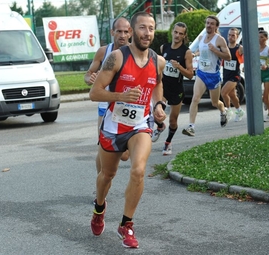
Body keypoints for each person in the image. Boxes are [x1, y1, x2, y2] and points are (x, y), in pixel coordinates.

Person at [89, 12, 166, 249]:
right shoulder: (116, 58)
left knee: (138, 170)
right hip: (113, 127)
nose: (148, 33)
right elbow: (95, 92)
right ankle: (99, 208)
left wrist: (158, 105)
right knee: (107, 176)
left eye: (151, 28)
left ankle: (126, 224)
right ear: (132, 32)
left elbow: (158, 84)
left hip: (140, 125)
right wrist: (120, 96)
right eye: (142, 28)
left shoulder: (158, 61)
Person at [84, 17, 131, 174]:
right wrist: (89, 79)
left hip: (127, 106)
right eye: (119, 31)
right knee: (103, 148)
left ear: (130, 32)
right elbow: (88, 74)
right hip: (105, 106)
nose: (122, 35)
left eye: (125, 31)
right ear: (112, 32)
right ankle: (100, 186)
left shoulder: (135, 52)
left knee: (124, 156)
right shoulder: (104, 51)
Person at [182, 15, 231, 136]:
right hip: (201, 73)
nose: (209, 25)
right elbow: (202, 50)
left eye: (212, 23)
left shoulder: (219, 40)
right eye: (207, 23)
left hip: (213, 75)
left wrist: (215, 50)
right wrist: (195, 54)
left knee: (215, 102)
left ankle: (223, 111)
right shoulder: (201, 38)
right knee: (195, 98)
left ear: (216, 26)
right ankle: (191, 127)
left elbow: (228, 57)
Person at [151, 22, 194, 155]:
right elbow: (158, 65)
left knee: (173, 120)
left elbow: (191, 74)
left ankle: (168, 143)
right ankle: (159, 127)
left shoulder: (186, 52)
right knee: (156, 113)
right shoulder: (164, 47)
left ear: (184, 35)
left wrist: (179, 68)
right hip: (163, 87)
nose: (177, 35)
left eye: (181, 33)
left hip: (177, 90)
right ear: (172, 32)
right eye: (176, 32)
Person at [220, 27, 246, 122]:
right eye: (229, 35)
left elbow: (247, 55)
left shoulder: (239, 48)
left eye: (233, 35)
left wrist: (245, 65)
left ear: (237, 36)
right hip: (226, 74)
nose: (230, 37)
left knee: (223, 92)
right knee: (232, 95)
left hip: (235, 75)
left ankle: (228, 109)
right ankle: (239, 111)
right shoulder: (225, 48)